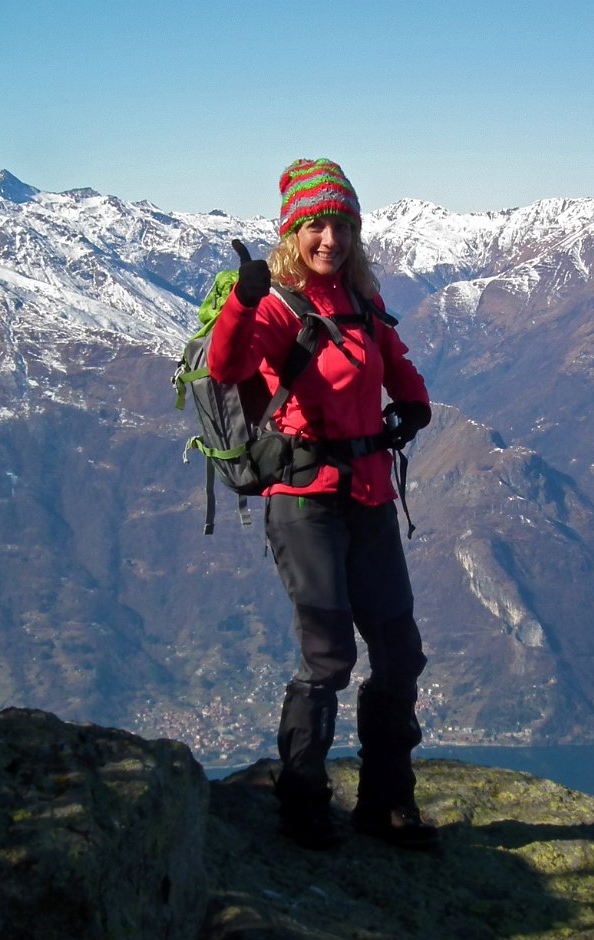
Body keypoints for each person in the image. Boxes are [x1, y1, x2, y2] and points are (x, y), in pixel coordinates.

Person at [208, 158, 435, 850]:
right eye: (316, 225)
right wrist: (243, 302)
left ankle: (386, 800)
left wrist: (415, 406)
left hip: (367, 497)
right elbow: (228, 367)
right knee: (328, 657)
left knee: (399, 653)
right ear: (293, 231)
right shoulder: (278, 305)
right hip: (305, 503)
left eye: (340, 225)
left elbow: (395, 364)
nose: (329, 239)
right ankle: (303, 800)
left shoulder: (359, 302)